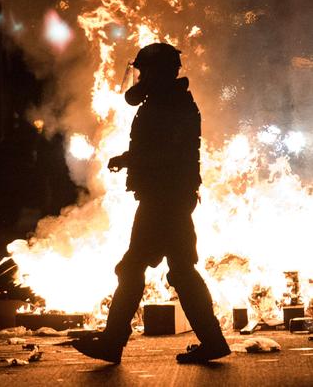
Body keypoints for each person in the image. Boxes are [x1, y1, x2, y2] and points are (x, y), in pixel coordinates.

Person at [72, 43, 231, 364]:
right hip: (169, 197)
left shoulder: (169, 105)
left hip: (164, 199)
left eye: (144, 71)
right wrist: (131, 159)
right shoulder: (167, 101)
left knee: (133, 267)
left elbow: (168, 155)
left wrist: (130, 159)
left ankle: (113, 341)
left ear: (158, 73)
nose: (140, 78)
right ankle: (212, 341)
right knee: (182, 271)